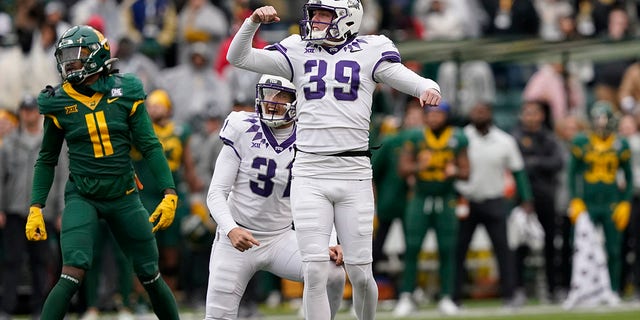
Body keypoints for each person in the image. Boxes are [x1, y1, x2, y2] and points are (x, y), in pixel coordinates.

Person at [225, 2, 442, 318]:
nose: (315, 20)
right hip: (310, 171)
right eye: (314, 14)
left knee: (361, 274)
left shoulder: (372, 49)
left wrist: (427, 86)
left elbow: (403, 76)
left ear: (347, 17)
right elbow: (238, 57)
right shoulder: (298, 49)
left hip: (353, 173)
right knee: (315, 270)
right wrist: (252, 23)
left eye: (323, 14)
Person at [24, 25, 180, 320]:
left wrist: (169, 192)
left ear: (97, 57)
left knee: (150, 274)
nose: (70, 63)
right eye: (66, 56)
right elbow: (47, 158)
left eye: (77, 55)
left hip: (124, 195)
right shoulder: (58, 101)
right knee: (71, 273)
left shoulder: (125, 91)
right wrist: (36, 205)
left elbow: (149, 145)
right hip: (83, 195)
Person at [205, 74, 346, 319]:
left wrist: (332, 239)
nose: (272, 102)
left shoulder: (311, 136)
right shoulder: (242, 127)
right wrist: (230, 229)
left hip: (281, 237)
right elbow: (216, 192)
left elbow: (325, 195)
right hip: (237, 238)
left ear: (298, 100)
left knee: (333, 272)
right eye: (268, 94)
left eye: (281, 96)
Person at [453, 101, 534, 308]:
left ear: (490, 113)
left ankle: (510, 294)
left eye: (483, 111)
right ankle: (453, 297)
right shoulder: (460, 138)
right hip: (466, 201)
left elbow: (518, 171)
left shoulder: (504, 141)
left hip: (494, 200)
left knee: (503, 250)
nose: (479, 114)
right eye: (475, 110)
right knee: (458, 250)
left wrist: (526, 199)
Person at [395, 101, 469, 317]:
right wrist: (420, 166)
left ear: (446, 116)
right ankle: (407, 295)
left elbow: (466, 171)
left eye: (439, 114)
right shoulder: (416, 137)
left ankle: (446, 296)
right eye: (431, 114)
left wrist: (454, 171)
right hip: (420, 197)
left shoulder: (458, 138)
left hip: (446, 199)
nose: (435, 118)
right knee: (412, 247)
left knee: (447, 248)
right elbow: (402, 169)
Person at [0, 95, 66, 320]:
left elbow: (62, 177)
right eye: (25, 110)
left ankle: (41, 309)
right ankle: (6, 308)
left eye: (32, 109)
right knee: (11, 261)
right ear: (20, 112)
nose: (28, 113)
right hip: (16, 211)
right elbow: (1, 178)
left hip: (43, 212)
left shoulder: (52, 139)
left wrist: (61, 210)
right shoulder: (9, 142)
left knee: (42, 262)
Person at [566, 101, 632, 300]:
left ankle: (612, 290)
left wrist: (625, 202)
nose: (601, 124)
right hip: (588, 203)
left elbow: (628, 177)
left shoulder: (621, 144)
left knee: (614, 248)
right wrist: (575, 199)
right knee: (579, 247)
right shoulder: (581, 142)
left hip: (611, 203)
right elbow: (572, 174)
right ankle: (579, 290)